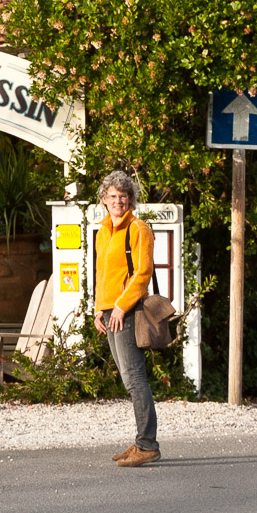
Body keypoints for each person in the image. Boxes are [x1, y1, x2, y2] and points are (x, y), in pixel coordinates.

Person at [93, 169, 160, 467]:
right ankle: (141, 442)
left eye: (123, 196)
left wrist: (119, 307)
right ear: (104, 199)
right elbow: (101, 273)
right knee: (128, 379)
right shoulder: (104, 231)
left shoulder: (138, 229)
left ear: (130, 199)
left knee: (135, 379)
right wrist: (99, 309)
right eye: (112, 196)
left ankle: (147, 445)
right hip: (110, 312)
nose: (118, 201)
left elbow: (143, 274)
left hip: (127, 311)